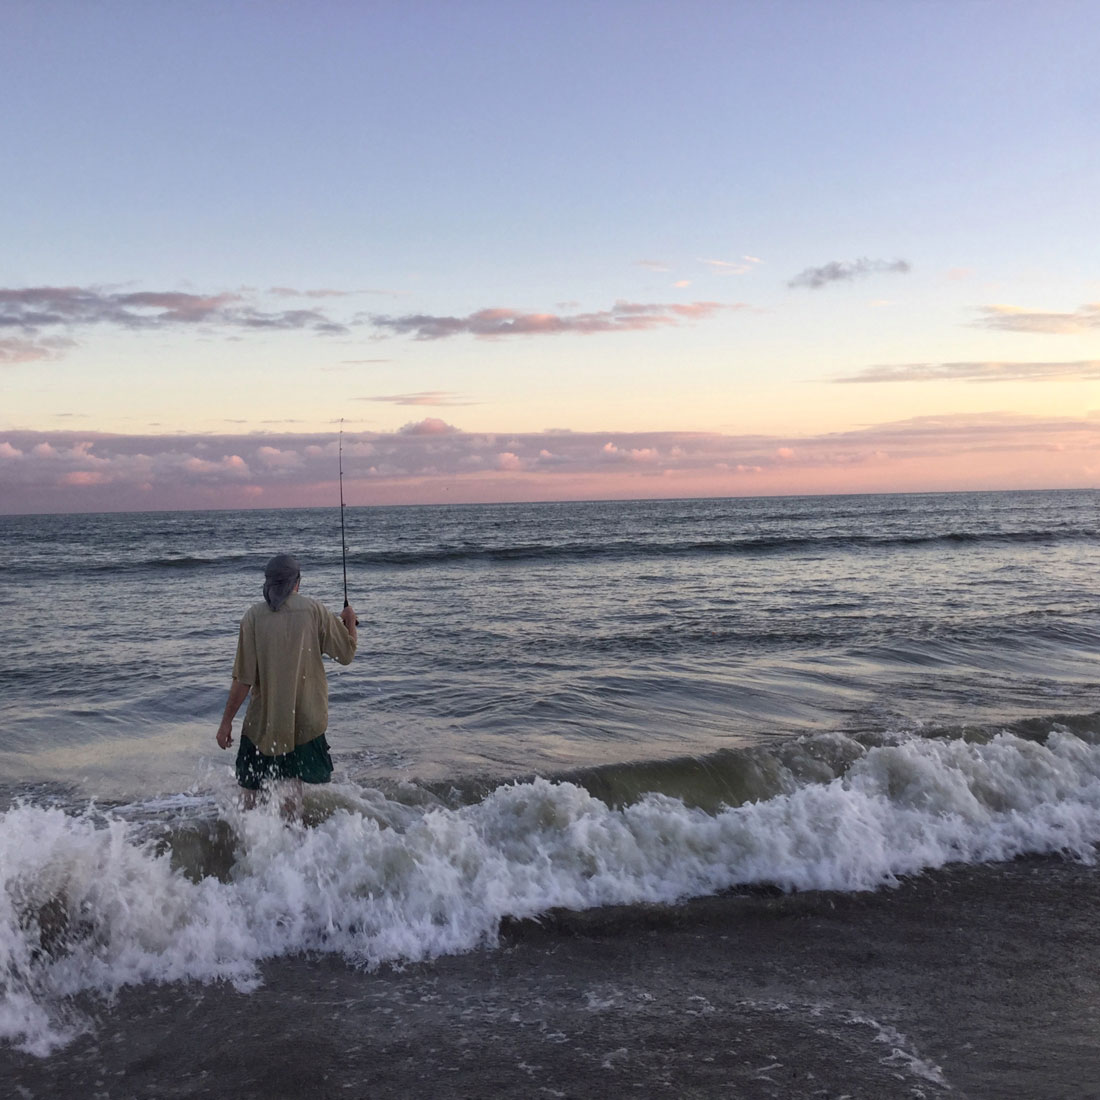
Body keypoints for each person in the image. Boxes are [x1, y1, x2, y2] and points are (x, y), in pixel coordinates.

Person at [216, 553, 357, 813]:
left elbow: (243, 680)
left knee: (249, 793)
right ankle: (296, 847)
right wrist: (349, 621)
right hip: (304, 721)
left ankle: (251, 845)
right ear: (297, 582)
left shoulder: (253, 617)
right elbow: (347, 654)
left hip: (263, 723)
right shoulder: (315, 610)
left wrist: (226, 723)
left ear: (268, 584)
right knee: (292, 792)